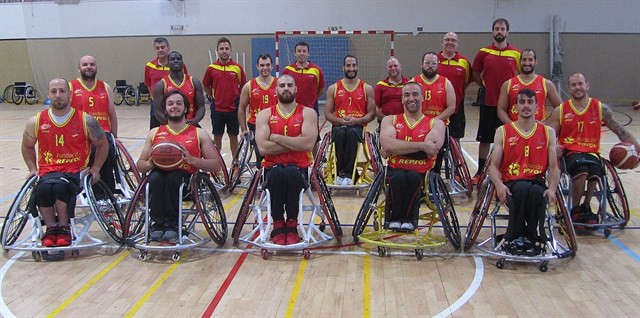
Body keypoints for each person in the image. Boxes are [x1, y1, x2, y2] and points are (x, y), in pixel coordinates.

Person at [21, 78, 108, 247]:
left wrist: (96, 168)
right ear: (48, 95)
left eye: (62, 91)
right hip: (48, 172)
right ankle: (51, 228)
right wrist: (32, 168)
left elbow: (103, 144)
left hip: (75, 171)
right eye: (54, 92)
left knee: (61, 187)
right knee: (43, 189)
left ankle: (64, 227)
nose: (58, 95)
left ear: (69, 94)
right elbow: (27, 146)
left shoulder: (86, 120)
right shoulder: (36, 121)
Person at [548, 73, 640, 224]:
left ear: (587, 85)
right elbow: (550, 134)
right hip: (570, 152)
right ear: (569, 89)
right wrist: (553, 147)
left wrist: (638, 149)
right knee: (582, 170)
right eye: (573, 85)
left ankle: (586, 206)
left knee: (596, 172)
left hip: (592, 152)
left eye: (580, 84)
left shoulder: (599, 108)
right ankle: (575, 209)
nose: (577, 87)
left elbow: (620, 131)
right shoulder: (561, 110)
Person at [137, 90, 222, 241]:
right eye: (170, 104)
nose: (174, 106)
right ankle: (157, 224)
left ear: (185, 109)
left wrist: (193, 160)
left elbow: (216, 165)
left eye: (178, 103)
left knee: (173, 177)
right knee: (155, 177)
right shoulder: (154, 133)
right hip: (159, 178)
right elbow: (140, 165)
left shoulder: (198, 133)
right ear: (164, 110)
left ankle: (173, 224)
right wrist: (151, 162)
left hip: (188, 182)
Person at [489, 88, 559, 253]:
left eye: (530, 102)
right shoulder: (503, 131)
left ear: (537, 107)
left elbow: (554, 167)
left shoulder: (548, 132)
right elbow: (493, 166)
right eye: (522, 102)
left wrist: (552, 189)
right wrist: (499, 185)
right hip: (511, 183)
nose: (526, 106)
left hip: (537, 181)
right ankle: (518, 235)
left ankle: (528, 234)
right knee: (522, 189)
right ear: (516, 107)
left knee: (536, 192)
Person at [255, 75, 318, 245]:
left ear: (296, 89)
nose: (286, 88)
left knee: (290, 172)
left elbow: (308, 144)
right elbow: (263, 148)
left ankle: (291, 224)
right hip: (272, 167)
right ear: (276, 90)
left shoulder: (308, 113)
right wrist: (294, 141)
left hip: (299, 167)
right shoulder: (264, 114)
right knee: (276, 173)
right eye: (282, 85)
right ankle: (277, 223)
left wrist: (275, 137)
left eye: (290, 85)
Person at [380, 82, 445, 230]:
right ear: (402, 99)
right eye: (407, 95)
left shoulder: (437, 123)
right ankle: (395, 218)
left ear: (422, 98)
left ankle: (409, 219)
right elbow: (388, 145)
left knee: (413, 177)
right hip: (395, 170)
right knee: (399, 177)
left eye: (415, 94)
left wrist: (396, 148)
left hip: (422, 173)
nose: (411, 98)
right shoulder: (390, 119)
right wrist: (422, 145)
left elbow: (431, 151)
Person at [471, 18, 521, 184]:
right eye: (497, 29)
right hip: (488, 102)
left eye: (502, 29)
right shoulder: (483, 52)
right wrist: (486, 85)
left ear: (507, 32)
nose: (499, 31)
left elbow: (522, 76)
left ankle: (507, 171)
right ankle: (480, 172)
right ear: (493, 32)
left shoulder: (516, 53)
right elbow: (476, 74)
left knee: (509, 140)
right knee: (485, 139)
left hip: (508, 106)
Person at [324, 55, 376, 185]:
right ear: (343, 68)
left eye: (353, 65)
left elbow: (372, 114)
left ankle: (347, 174)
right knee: (341, 133)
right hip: (339, 125)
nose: (351, 68)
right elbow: (327, 114)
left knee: (352, 134)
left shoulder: (367, 88)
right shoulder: (333, 88)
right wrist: (340, 121)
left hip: (357, 126)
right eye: (348, 65)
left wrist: (357, 120)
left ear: (357, 67)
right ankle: (341, 172)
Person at [69, 55, 118, 193]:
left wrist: (115, 136)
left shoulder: (105, 87)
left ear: (96, 67)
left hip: (103, 132)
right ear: (79, 68)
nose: (88, 67)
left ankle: (105, 193)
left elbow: (112, 114)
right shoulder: (71, 87)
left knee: (104, 148)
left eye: (91, 64)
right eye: (85, 64)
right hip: (79, 133)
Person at [412, 51, 456, 174]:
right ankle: (417, 174)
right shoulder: (414, 82)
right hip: (418, 124)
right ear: (422, 65)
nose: (430, 66)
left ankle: (434, 175)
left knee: (435, 147)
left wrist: (435, 120)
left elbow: (451, 107)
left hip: (438, 124)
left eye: (433, 63)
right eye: (427, 63)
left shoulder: (445, 82)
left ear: (438, 65)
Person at [202, 37, 247, 157]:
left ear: (230, 50)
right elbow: (205, 85)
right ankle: (217, 162)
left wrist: (239, 97)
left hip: (233, 109)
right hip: (217, 109)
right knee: (217, 136)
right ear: (217, 50)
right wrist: (213, 96)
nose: (224, 51)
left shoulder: (237, 68)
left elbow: (244, 85)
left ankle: (235, 163)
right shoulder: (211, 68)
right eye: (221, 48)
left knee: (233, 136)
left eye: (227, 48)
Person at [497, 48, 562, 124]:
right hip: (515, 131)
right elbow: (501, 110)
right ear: (520, 62)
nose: (527, 63)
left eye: (530, 60)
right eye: (524, 60)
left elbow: (560, 108)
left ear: (536, 62)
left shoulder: (546, 83)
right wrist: (511, 125)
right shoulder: (508, 84)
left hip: (538, 130)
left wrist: (545, 122)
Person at [238, 54, 278, 165]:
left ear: (272, 66)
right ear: (257, 66)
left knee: (278, 155)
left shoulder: (279, 84)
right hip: (256, 125)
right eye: (262, 65)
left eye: (267, 65)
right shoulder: (249, 85)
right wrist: (243, 130)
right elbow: (241, 109)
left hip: (275, 124)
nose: (265, 68)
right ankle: (262, 178)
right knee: (261, 157)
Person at [145, 37, 188, 129]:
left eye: (162, 47)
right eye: (157, 48)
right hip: (156, 105)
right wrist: (155, 98)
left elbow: (185, 81)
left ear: (168, 48)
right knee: (155, 131)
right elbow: (148, 84)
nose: (160, 50)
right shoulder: (149, 66)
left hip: (174, 104)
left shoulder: (179, 65)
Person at [152, 51, 205, 126]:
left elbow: (201, 107)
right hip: (169, 125)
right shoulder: (160, 85)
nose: (176, 60)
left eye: (178, 59)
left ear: (182, 63)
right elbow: (158, 111)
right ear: (168, 63)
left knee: (205, 137)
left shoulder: (194, 82)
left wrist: (195, 121)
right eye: (172, 59)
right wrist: (174, 124)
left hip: (191, 123)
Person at [437, 32, 472, 139]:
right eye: (447, 40)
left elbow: (467, 81)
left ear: (457, 43)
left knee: (455, 140)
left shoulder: (464, 61)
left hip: (457, 108)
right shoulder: (434, 60)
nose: (450, 42)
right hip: (436, 107)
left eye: (453, 40)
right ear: (442, 42)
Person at [281, 41, 325, 113]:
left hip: (311, 108)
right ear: (295, 53)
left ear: (308, 53)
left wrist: (312, 99)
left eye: (304, 51)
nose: (301, 53)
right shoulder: (287, 70)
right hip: (291, 109)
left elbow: (321, 89)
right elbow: (282, 89)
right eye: (299, 51)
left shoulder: (316, 70)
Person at [374, 57, 410, 122]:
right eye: (390, 66)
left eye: (395, 66)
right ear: (387, 69)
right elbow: (375, 108)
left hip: (405, 122)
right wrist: (386, 120)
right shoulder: (380, 85)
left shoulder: (409, 84)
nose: (393, 68)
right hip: (385, 122)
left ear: (401, 67)